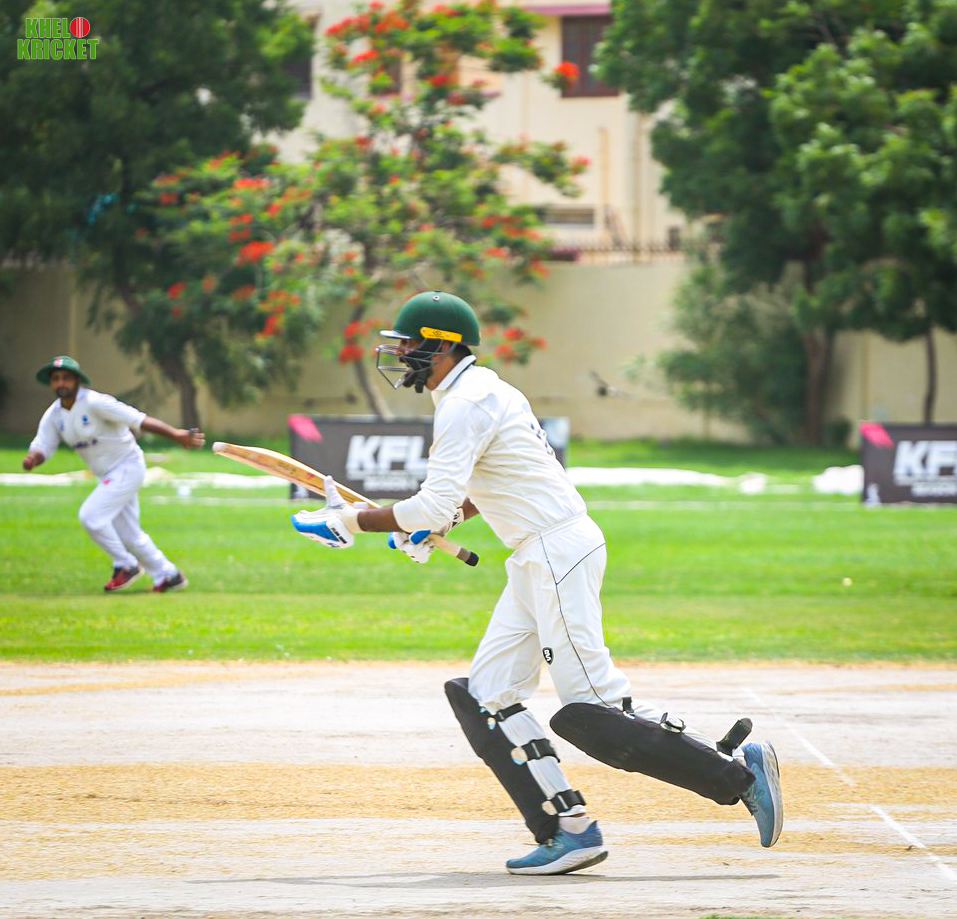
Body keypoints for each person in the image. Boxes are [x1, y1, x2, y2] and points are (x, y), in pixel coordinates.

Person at [291, 292, 783, 875]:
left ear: (442, 347)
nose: (400, 356)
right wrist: (436, 525)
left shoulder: (465, 404)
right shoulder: (484, 390)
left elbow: (432, 502)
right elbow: (489, 486)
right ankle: (569, 829)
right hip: (539, 553)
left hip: (555, 551)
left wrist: (349, 522)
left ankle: (739, 775)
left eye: (408, 345)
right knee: (485, 695)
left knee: (591, 710)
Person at [22, 355, 205, 593]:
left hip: (127, 466)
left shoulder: (96, 402)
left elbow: (138, 419)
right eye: (56, 378)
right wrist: (33, 458)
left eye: (66, 377)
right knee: (130, 535)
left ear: (77, 380)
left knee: (90, 516)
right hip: (107, 475)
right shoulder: (54, 415)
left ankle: (126, 565)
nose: (61, 383)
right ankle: (169, 575)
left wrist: (175, 435)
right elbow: (44, 444)